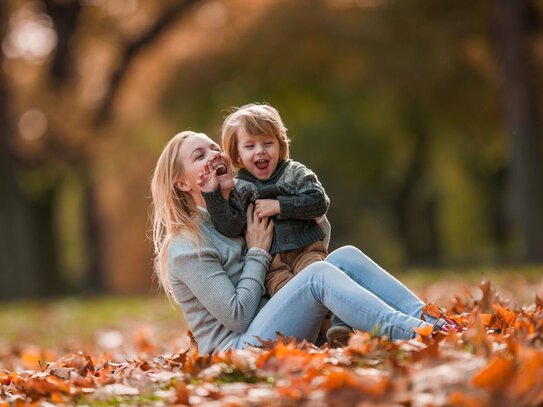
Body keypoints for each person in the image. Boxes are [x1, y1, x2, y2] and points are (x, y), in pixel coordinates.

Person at [150, 130, 453, 356]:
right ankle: (413, 332)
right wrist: (256, 252)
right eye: (199, 156)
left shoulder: (235, 215)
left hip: (273, 325)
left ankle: (428, 318)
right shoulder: (186, 245)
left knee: (343, 257)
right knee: (317, 276)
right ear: (182, 183)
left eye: (214, 149)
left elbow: (299, 255)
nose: (214, 156)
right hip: (237, 351)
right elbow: (238, 317)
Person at [199, 103, 351, 346]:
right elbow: (231, 225)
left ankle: (343, 321)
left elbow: (318, 202)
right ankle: (322, 336)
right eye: (250, 146)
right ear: (237, 155)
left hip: (306, 250)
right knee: (291, 295)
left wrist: (280, 206)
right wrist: (213, 195)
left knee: (321, 279)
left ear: (280, 145)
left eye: (267, 143)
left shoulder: (294, 172)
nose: (260, 151)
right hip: (272, 266)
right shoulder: (241, 188)